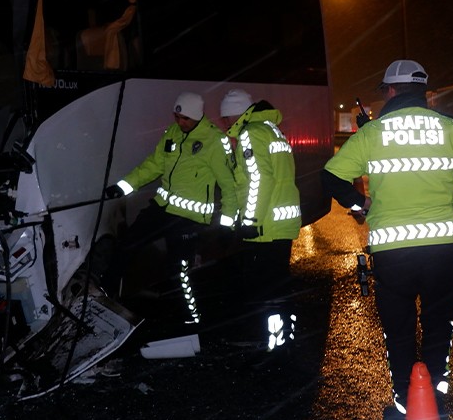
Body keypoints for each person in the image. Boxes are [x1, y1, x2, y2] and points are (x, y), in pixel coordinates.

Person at [322, 59, 453, 420]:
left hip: (392, 254)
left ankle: (404, 403)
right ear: (424, 91)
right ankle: (433, 397)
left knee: (398, 330)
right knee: (438, 322)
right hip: (440, 250)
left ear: (391, 91)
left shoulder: (373, 133)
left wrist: (358, 205)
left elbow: (330, 176)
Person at [101, 92, 237, 327]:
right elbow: (153, 165)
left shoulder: (214, 141)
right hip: (162, 209)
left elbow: (229, 185)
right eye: (177, 117)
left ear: (196, 116)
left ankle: (191, 320)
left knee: (179, 271)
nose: (180, 123)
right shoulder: (173, 134)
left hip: (190, 218)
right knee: (127, 244)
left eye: (185, 119)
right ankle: (105, 295)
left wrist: (228, 224)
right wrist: (123, 187)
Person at [218, 89, 302, 351]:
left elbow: (258, 179)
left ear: (234, 114)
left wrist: (251, 220)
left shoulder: (250, 133)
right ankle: (282, 339)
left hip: (265, 226)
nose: (224, 124)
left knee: (262, 288)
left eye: (225, 118)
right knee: (278, 285)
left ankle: (265, 342)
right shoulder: (271, 130)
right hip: (280, 224)